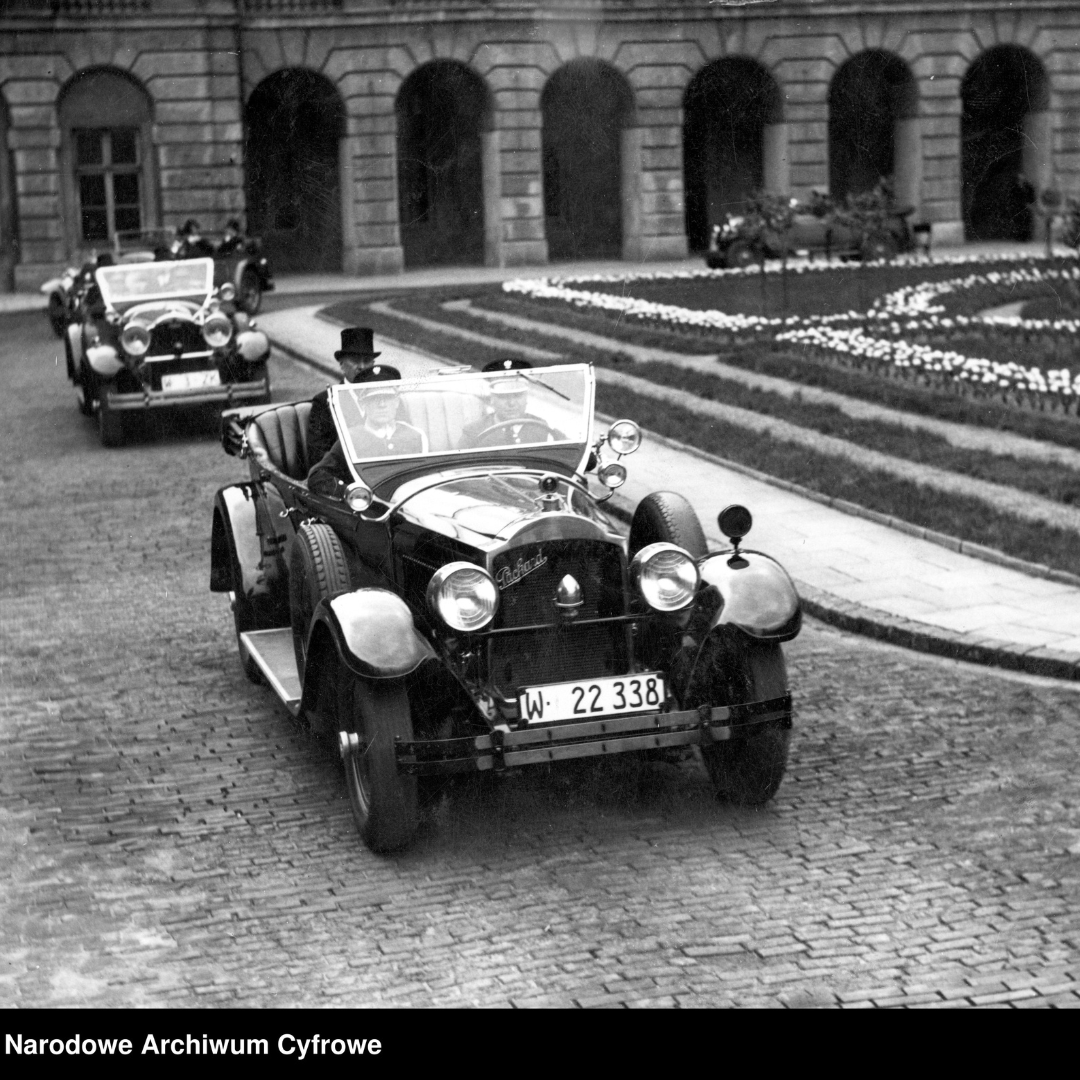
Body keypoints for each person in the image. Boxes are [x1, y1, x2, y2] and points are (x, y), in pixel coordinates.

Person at [307, 367, 426, 497]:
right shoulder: (351, 439)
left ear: (396, 402)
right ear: (363, 404)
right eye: (374, 398)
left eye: (387, 397)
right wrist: (352, 493)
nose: (382, 404)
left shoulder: (415, 435)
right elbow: (317, 477)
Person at [306, 327, 383, 465]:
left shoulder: (385, 398)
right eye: (355, 360)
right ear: (341, 364)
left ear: (373, 364)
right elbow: (317, 455)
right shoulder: (324, 402)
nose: (361, 366)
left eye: (366, 361)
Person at [460, 361, 563, 448]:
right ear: (492, 400)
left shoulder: (542, 427)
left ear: (526, 398)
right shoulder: (474, 431)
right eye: (503, 397)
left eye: (518, 396)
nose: (512, 403)